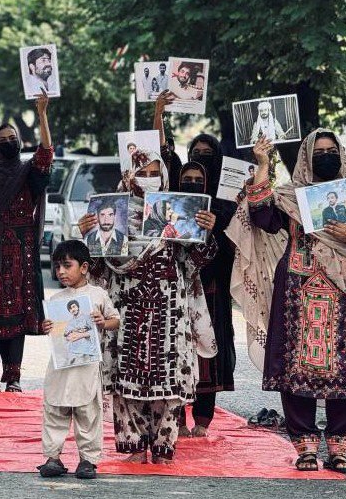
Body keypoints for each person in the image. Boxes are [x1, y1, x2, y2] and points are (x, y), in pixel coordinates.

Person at [228, 131, 346, 474]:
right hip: (297, 297)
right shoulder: (291, 197)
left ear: (342, 155)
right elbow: (260, 217)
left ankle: (339, 447)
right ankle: (303, 446)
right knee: (294, 370)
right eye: (319, 152)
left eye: (332, 151)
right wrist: (262, 164)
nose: (326, 156)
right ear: (305, 157)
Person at [78, 147, 218, 464]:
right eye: (143, 173)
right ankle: (133, 445)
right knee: (125, 379)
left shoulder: (176, 211)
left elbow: (197, 261)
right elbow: (97, 272)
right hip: (125, 308)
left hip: (170, 309)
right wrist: (89, 236)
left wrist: (205, 232)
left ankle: (164, 445)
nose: (150, 179)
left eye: (156, 173)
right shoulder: (111, 213)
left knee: (169, 381)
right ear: (130, 175)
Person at [0, 89, 53, 393]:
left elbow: (46, 154)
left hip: (22, 253)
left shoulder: (27, 172)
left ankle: (14, 378)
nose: (8, 142)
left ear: (20, 143)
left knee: (18, 314)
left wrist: (42, 113)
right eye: (3, 139)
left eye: (12, 138)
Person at [38, 240, 120, 479]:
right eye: (57, 267)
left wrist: (102, 323)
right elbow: (54, 331)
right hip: (60, 366)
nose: (61, 272)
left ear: (84, 267)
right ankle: (53, 457)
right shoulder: (56, 300)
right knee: (55, 408)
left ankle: (88, 460)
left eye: (67, 265)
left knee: (87, 411)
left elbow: (115, 320)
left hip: (86, 365)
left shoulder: (97, 295)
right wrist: (46, 326)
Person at [176, 135, 239, 436]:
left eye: (208, 153)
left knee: (207, 351)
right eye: (195, 153)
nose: (201, 157)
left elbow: (237, 246)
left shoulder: (227, 201)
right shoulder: (171, 204)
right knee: (173, 350)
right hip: (175, 292)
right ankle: (175, 418)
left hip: (213, 287)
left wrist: (216, 229)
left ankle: (203, 418)